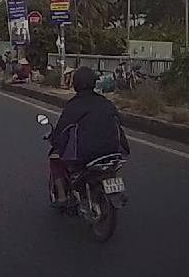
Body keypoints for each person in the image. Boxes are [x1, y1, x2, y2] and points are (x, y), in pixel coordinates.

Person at [48, 66, 130, 204]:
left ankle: (62, 197)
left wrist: (55, 140)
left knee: (55, 159)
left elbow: (61, 130)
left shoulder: (73, 105)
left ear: (75, 84)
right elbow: (120, 121)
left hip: (85, 154)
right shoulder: (106, 103)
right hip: (113, 150)